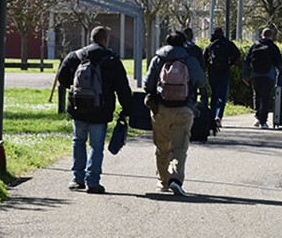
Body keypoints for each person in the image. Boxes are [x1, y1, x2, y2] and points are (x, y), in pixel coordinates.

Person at [56, 26, 132, 194]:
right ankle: (93, 181)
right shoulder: (112, 60)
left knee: (78, 141)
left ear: (91, 38)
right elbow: (122, 87)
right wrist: (127, 108)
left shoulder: (75, 56)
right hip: (101, 110)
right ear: (105, 40)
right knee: (96, 146)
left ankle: (77, 179)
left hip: (78, 108)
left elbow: (62, 79)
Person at [144, 30, 207, 196]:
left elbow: (147, 84)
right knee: (179, 147)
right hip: (184, 109)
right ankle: (175, 179)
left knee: (162, 147)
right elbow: (202, 81)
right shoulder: (190, 60)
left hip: (161, 110)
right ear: (184, 44)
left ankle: (163, 181)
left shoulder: (158, 59)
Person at [242, 27, 282, 129]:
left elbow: (247, 60)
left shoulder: (255, 45)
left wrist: (245, 75)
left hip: (255, 75)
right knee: (266, 98)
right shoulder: (273, 47)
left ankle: (257, 116)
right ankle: (263, 121)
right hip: (269, 75)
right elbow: (279, 63)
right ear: (271, 36)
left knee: (257, 95)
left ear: (261, 35)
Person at [203, 27, 241, 128]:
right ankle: (219, 116)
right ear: (222, 33)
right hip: (224, 71)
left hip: (212, 72)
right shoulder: (228, 43)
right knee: (222, 95)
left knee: (214, 94)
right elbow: (237, 54)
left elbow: (204, 58)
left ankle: (212, 116)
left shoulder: (211, 45)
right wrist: (230, 63)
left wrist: (206, 69)